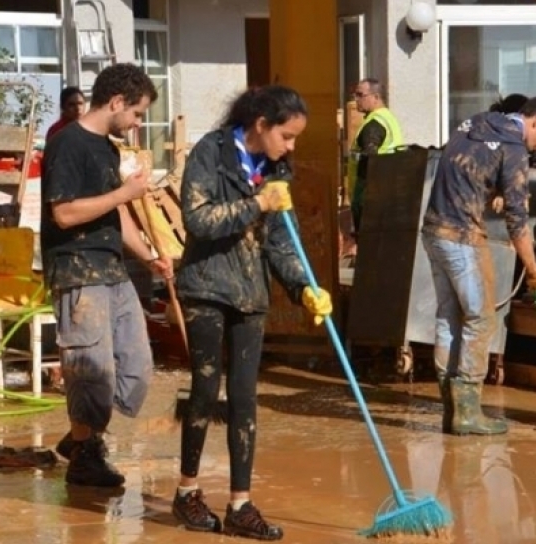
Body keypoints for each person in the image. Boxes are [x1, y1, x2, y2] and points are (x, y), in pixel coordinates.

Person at [171, 85, 333, 540]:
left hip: (250, 293)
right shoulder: (211, 152)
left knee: (245, 398)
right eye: (287, 135)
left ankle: (240, 504)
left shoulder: (277, 170)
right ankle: (187, 492)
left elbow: (281, 241)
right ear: (261, 124)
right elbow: (197, 219)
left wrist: (304, 287)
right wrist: (257, 203)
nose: (291, 146)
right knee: (206, 390)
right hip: (205, 286)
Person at [40, 63, 172, 487]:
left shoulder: (107, 149)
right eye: (137, 113)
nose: (138, 123)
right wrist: (124, 192)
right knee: (91, 368)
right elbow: (64, 213)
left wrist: (149, 257)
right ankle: (85, 455)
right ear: (116, 102)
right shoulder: (66, 144)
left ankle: (82, 434)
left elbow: (116, 213)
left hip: (112, 268)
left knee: (136, 368)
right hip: (77, 270)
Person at [422, 95, 536, 435]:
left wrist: (495, 189)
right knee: (481, 318)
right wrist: (533, 268)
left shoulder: (475, 122)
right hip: (462, 236)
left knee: (448, 316)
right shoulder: (514, 148)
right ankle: (468, 413)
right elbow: (518, 221)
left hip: (433, 231)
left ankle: (451, 410)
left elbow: (465, 169)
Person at [346, 78, 404, 234]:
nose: (356, 99)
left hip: (369, 196)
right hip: (388, 193)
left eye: (360, 95)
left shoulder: (374, 125)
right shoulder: (388, 119)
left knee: (368, 242)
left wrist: (365, 200)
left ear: (376, 97)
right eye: (355, 95)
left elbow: (370, 161)